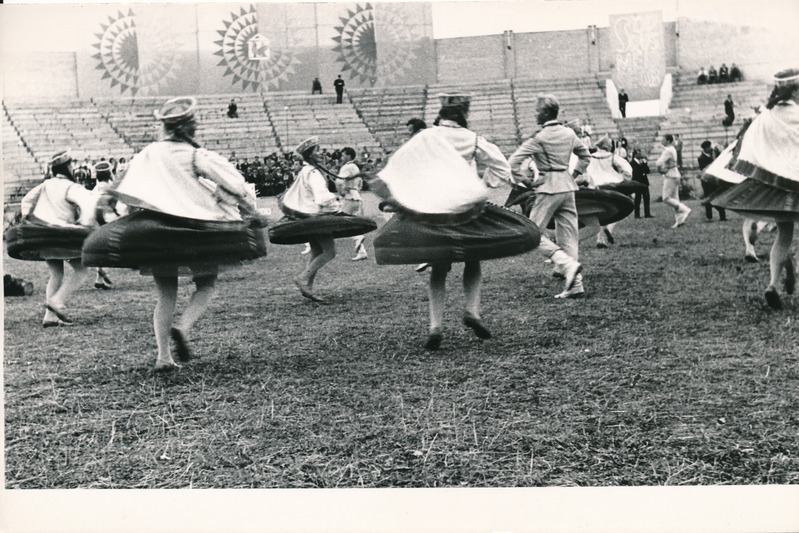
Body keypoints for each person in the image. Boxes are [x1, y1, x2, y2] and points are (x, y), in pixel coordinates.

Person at [83, 97, 266, 371]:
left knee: (166, 294)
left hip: (157, 232)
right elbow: (235, 184)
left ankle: (163, 357)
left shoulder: (148, 153)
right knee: (206, 284)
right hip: (198, 231)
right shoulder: (195, 155)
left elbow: (125, 184)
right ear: (190, 127)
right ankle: (183, 326)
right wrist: (251, 209)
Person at [371, 94, 538, 350]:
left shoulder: (427, 135)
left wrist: (406, 192)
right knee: (473, 257)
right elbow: (502, 168)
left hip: (436, 207)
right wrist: (482, 186)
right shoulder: (473, 139)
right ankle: (472, 311)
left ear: (442, 113)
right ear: (464, 116)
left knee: (439, 267)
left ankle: (435, 325)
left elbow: (404, 161)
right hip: (466, 207)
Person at [710, 68, 799, 309]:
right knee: (785, 237)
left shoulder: (766, 115)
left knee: (783, 236)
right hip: (796, 186)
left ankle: (773, 284)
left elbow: (745, 144)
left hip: (774, 189)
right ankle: (788, 272)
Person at [508, 94, 591, 299]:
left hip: (548, 188)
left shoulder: (539, 138)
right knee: (569, 235)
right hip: (567, 186)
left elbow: (512, 163)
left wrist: (526, 181)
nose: (535, 114)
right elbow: (585, 155)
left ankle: (565, 264)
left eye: (537, 111)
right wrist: (573, 175)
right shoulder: (569, 133)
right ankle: (576, 284)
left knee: (531, 233)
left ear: (545, 113)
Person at [16, 150, 96, 327]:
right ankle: (57, 301)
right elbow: (88, 204)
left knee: (56, 274)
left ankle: (50, 317)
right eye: (71, 165)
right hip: (63, 235)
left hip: (44, 235)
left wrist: (30, 219)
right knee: (82, 270)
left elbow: (26, 202)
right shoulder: (71, 186)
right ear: (67, 167)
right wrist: (85, 224)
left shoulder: (44, 185)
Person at [281, 137, 342, 302]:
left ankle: (307, 285)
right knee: (329, 252)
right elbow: (322, 198)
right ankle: (303, 278)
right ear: (309, 154)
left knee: (316, 251)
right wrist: (335, 200)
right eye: (316, 150)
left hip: (308, 216)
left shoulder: (305, 171)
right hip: (317, 216)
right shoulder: (313, 173)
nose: (320, 152)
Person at [583, 135, 633, 248]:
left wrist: (589, 181)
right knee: (620, 210)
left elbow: (584, 171)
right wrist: (623, 177)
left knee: (601, 212)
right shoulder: (612, 157)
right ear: (607, 145)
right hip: (612, 186)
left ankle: (600, 239)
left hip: (596, 187)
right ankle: (607, 228)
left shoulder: (590, 157)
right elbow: (627, 169)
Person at [336, 146, 368, 261]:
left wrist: (341, 192)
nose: (341, 157)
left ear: (349, 155)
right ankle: (362, 252)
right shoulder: (355, 167)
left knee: (343, 223)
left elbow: (339, 181)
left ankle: (358, 237)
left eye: (343, 155)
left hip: (349, 198)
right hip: (356, 197)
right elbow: (360, 184)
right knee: (350, 223)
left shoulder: (347, 167)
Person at [656, 134, 692, 228]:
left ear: (668, 141)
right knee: (675, 199)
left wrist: (660, 170)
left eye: (663, 139)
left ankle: (685, 210)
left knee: (666, 198)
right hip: (674, 174)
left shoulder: (668, 150)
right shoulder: (672, 149)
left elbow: (658, 163)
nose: (661, 141)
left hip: (670, 175)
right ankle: (680, 220)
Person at [90, 161, 116, 289]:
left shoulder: (95, 189)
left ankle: (99, 280)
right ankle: (103, 273)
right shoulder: (111, 188)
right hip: (108, 219)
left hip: (95, 220)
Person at [698, 140, 726, 221]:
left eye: (710, 147)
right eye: (708, 148)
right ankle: (709, 216)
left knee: (719, 196)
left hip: (715, 178)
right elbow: (703, 169)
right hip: (706, 180)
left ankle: (722, 216)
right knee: (708, 197)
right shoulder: (701, 158)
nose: (710, 149)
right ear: (704, 149)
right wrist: (713, 161)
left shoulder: (715, 154)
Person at [630, 149, 653, 218]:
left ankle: (647, 213)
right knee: (638, 199)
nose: (640, 155)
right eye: (638, 154)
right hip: (637, 182)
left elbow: (648, 171)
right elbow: (635, 173)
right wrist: (642, 167)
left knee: (646, 198)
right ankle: (637, 214)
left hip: (644, 182)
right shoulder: (632, 163)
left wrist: (644, 164)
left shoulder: (643, 162)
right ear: (635, 155)